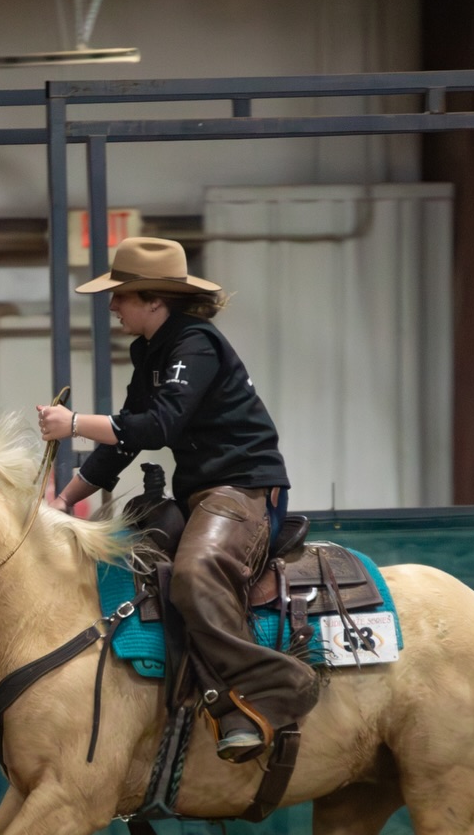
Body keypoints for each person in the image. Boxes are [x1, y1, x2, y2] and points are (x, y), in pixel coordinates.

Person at [36, 236, 317, 763]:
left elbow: (160, 425)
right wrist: (64, 503)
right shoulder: (153, 351)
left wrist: (73, 424)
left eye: (121, 296)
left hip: (244, 489)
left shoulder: (195, 345)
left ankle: (271, 687)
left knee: (192, 575)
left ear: (154, 300)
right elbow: (125, 440)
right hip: (205, 493)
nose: (113, 306)